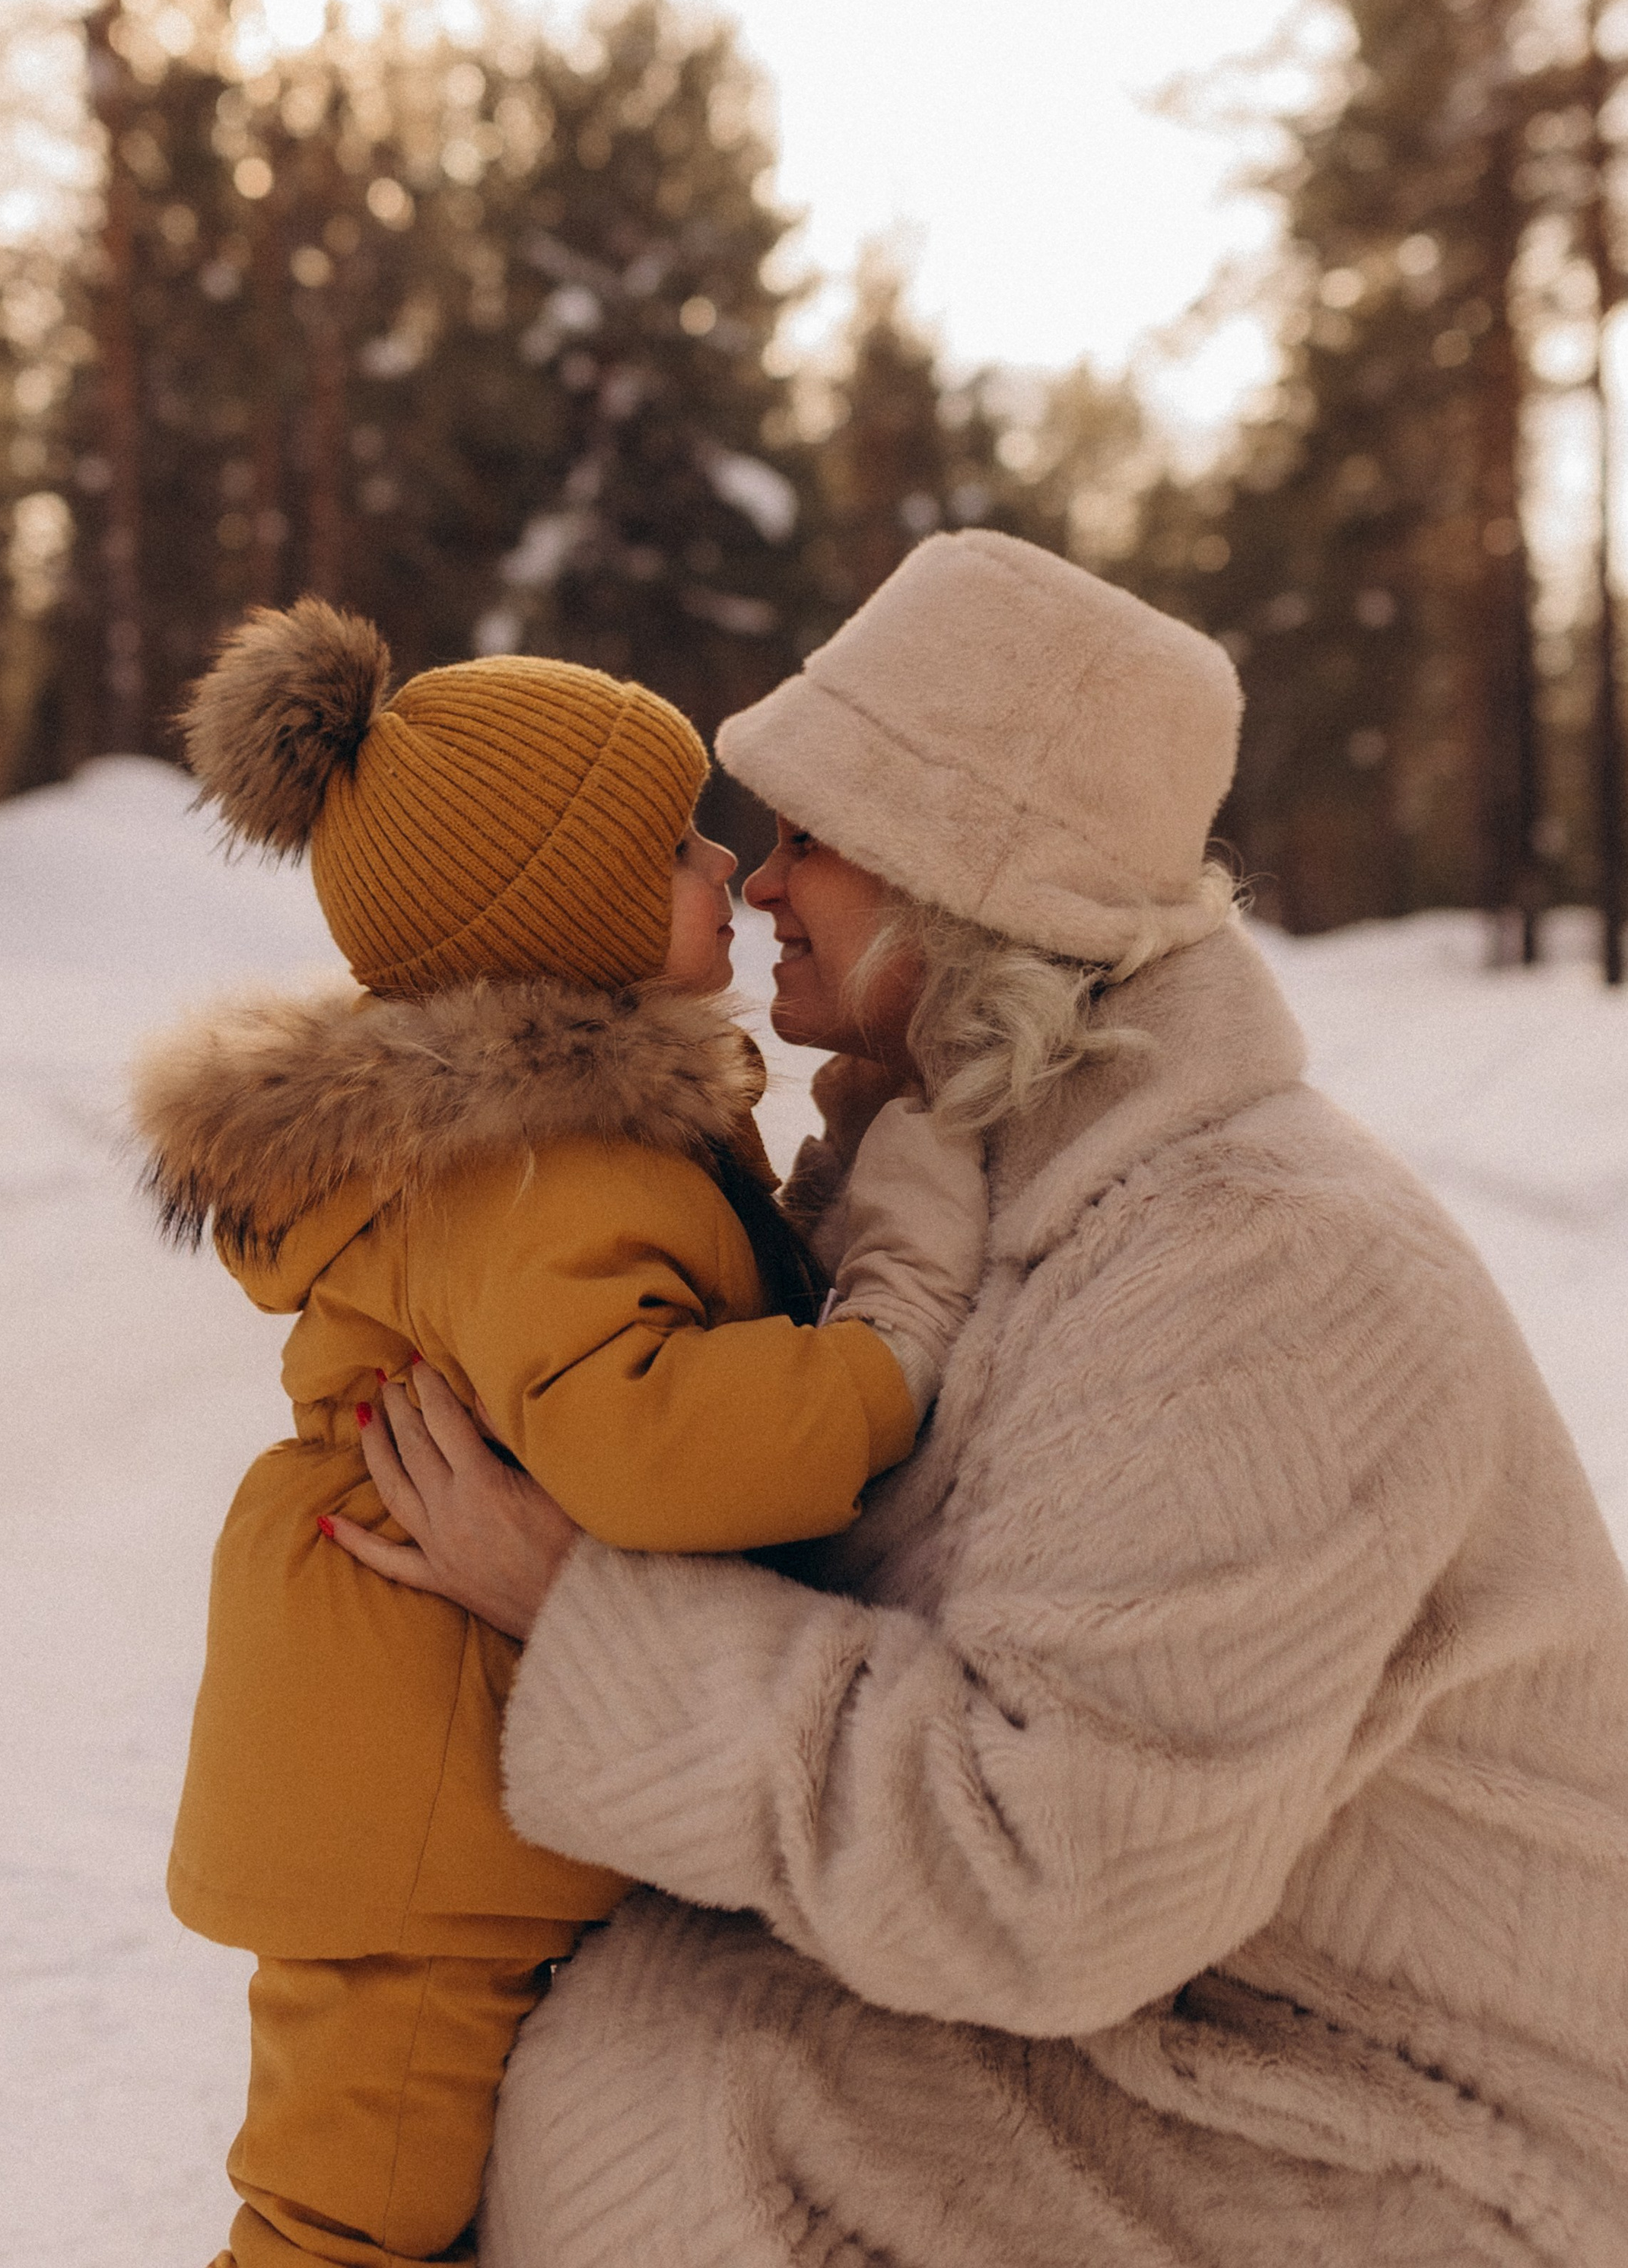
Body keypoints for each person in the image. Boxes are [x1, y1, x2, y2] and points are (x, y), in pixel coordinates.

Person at [339, 529, 1628, 2268]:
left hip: (1417, 2144)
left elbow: (1052, 1882)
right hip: (1214, 2026)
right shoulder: (957, 1162)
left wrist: (581, 1607)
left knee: (698, 2077)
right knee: (625, 2009)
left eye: (810, 837)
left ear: (966, 878)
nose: (760, 881)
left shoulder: (1256, 1271)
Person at [132, 601, 986, 2268]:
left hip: (429, 1776)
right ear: (561, 911)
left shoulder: (553, 1141)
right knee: (352, 2209)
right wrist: (875, 1369)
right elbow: (641, 1438)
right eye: (673, 848)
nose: (726, 875)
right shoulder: (539, 1167)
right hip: (418, 1809)